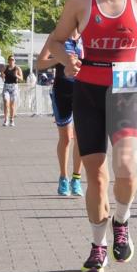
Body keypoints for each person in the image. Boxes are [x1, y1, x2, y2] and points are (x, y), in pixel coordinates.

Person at [46, 0, 137, 272]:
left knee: (126, 167)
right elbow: (55, 40)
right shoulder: (81, 1)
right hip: (88, 92)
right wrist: (67, 60)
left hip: (125, 89)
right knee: (96, 176)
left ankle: (121, 222)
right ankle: (98, 246)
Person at [36, 30, 84, 197]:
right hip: (62, 91)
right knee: (65, 138)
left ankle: (76, 179)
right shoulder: (57, 36)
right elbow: (40, 63)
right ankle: (63, 177)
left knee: (81, 138)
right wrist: (60, 58)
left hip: (83, 91)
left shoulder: (89, 35)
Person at [1, 55, 23, 126]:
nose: (11, 61)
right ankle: (5, 120)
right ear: (8, 61)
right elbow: (2, 73)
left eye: (13, 60)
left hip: (14, 87)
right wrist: (3, 77)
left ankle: (12, 120)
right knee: (6, 102)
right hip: (6, 86)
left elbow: (21, 78)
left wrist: (16, 75)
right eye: (10, 59)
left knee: (12, 105)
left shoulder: (17, 68)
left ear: (14, 61)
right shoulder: (5, 67)